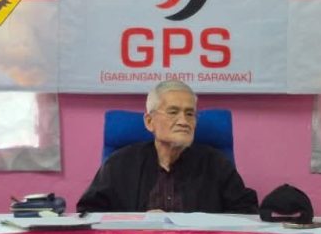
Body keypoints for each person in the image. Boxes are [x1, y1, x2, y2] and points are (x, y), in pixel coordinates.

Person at [77, 80, 258, 214]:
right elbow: (90, 212)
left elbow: (246, 212)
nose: (183, 121)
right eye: (173, 112)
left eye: (190, 114)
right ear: (149, 122)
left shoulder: (216, 164)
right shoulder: (120, 164)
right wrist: (139, 221)